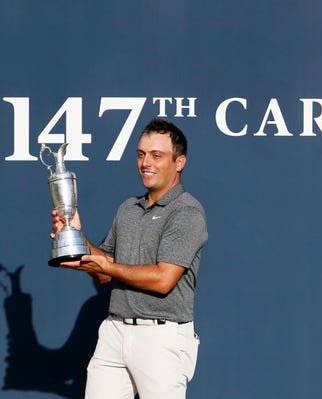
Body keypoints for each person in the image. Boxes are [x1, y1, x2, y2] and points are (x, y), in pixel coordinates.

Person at [51, 118, 208, 399]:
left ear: (179, 162)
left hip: (161, 338)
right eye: (141, 154)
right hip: (114, 331)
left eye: (156, 155)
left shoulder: (187, 212)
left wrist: (107, 265)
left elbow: (163, 280)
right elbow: (104, 272)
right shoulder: (128, 209)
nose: (145, 162)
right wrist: (77, 238)